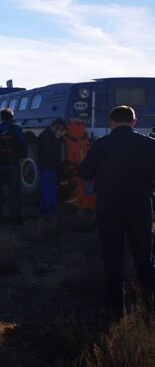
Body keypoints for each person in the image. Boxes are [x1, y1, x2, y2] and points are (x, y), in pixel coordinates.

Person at [78, 105, 155, 319]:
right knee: (143, 256)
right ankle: (149, 303)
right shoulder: (149, 145)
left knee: (112, 258)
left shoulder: (100, 145)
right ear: (134, 121)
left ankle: (116, 310)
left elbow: (84, 171)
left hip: (108, 208)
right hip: (140, 207)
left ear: (110, 122)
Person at [0, 108, 27, 224]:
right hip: (13, 165)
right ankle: (15, 217)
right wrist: (19, 158)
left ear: (1, 117)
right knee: (14, 192)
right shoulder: (17, 129)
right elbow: (23, 146)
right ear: (12, 117)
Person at [37, 119, 67, 215]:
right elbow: (51, 153)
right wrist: (57, 139)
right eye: (61, 129)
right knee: (49, 191)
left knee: (48, 190)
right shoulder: (46, 136)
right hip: (47, 167)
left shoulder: (48, 135)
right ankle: (49, 213)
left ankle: (45, 212)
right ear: (57, 126)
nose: (62, 131)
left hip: (50, 167)